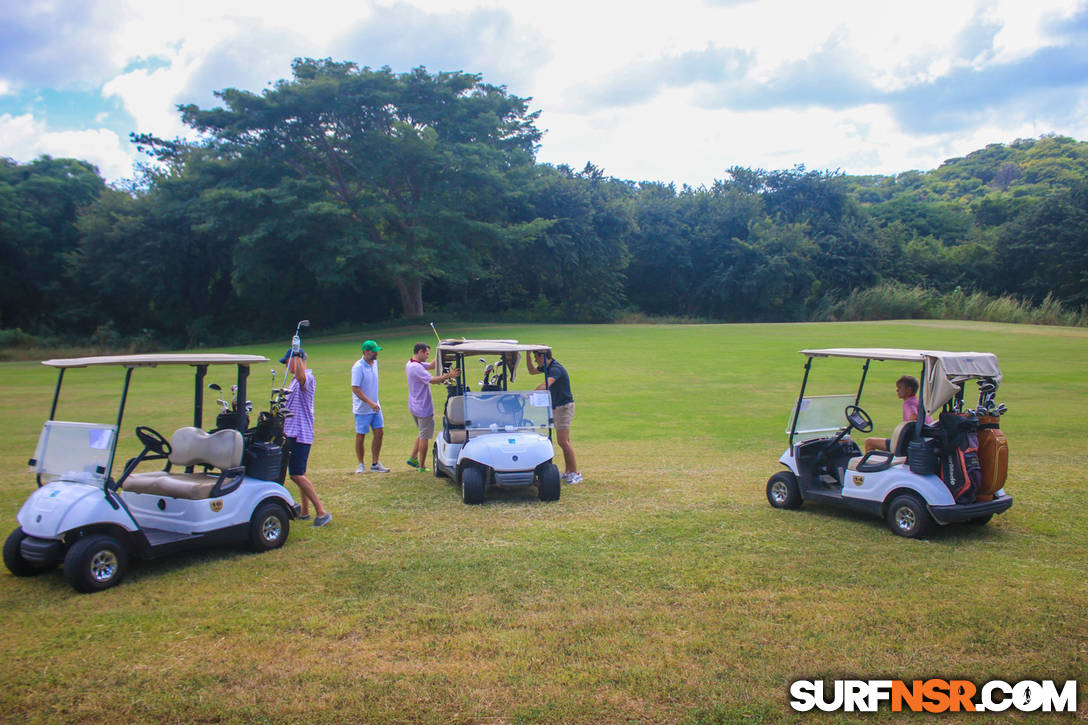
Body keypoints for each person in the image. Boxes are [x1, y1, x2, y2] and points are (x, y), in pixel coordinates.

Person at [281, 348, 331, 527]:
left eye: (287, 361)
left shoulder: (307, 378)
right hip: (292, 432)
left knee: (296, 474)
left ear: (297, 361)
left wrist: (296, 354)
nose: (285, 366)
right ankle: (304, 511)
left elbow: (302, 378)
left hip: (301, 433)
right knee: (299, 473)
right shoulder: (293, 381)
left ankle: (321, 512)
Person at [527, 348, 580, 483]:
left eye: (535, 357)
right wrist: (527, 354)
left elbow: (546, 385)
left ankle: (575, 473)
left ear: (542, 356)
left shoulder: (555, 369)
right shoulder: (547, 367)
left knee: (564, 441)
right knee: (563, 441)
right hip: (558, 407)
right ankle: (568, 471)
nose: (535, 360)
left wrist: (529, 395)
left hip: (564, 407)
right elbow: (532, 371)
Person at [405, 343, 459, 471]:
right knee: (425, 437)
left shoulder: (411, 363)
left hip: (414, 405)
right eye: (427, 354)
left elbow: (431, 365)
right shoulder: (416, 368)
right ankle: (422, 466)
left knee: (422, 432)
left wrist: (441, 353)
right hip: (423, 408)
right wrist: (450, 375)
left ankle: (413, 458)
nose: (428, 356)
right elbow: (433, 380)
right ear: (420, 352)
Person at [865, 374, 934, 453]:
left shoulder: (908, 403)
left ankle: (867, 464)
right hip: (918, 440)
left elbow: (914, 417)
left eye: (900, 388)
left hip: (907, 443)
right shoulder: (918, 401)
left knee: (869, 442)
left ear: (909, 389)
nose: (897, 390)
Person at [351, 339, 389, 473]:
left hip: (375, 407)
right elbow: (355, 388)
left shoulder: (375, 363)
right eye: (374, 352)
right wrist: (370, 402)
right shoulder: (358, 367)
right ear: (365, 352)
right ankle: (361, 464)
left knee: (379, 432)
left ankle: (375, 463)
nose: (376, 354)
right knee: (361, 435)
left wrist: (374, 403)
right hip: (362, 409)